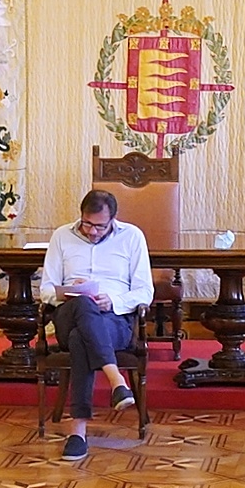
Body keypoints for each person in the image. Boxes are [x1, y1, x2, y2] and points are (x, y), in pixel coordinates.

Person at [37, 189, 152, 464]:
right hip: (68, 313)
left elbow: (144, 291)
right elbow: (45, 289)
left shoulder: (132, 237)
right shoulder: (62, 236)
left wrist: (112, 301)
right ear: (81, 216)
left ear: (113, 219)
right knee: (83, 304)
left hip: (114, 320)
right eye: (87, 224)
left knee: (81, 338)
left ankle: (78, 432)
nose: (92, 231)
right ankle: (116, 379)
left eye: (100, 226)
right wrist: (70, 292)